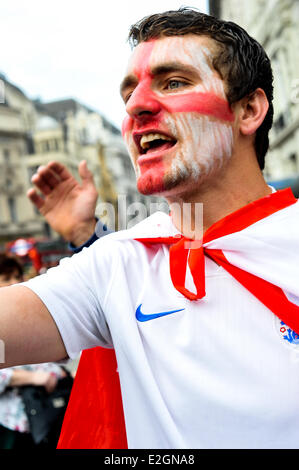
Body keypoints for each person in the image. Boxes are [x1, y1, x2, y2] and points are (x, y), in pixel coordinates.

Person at [1, 8, 299, 449]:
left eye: (174, 82)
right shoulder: (117, 262)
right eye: (129, 95)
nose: (136, 106)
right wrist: (87, 236)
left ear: (249, 110)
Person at [0, 254, 67, 449]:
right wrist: (32, 378)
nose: (15, 283)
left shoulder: (29, 311)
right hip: (12, 424)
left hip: (48, 413)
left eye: (18, 277)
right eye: (6, 279)